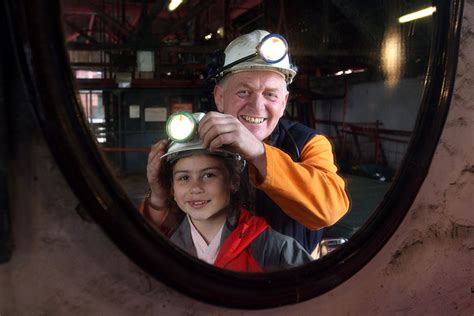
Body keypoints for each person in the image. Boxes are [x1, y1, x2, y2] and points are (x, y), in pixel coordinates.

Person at [144, 30, 349, 254]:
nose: (257, 106)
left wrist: (258, 153)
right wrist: (158, 197)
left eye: (270, 94)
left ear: (284, 103)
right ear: (219, 97)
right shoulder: (197, 142)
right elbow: (164, 239)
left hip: (293, 279)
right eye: (243, 92)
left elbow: (330, 210)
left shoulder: (308, 143)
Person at [151, 113, 313, 272]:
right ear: (172, 188)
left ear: (234, 182)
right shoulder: (164, 251)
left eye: (209, 175)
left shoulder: (274, 251)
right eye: (184, 178)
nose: (195, 188)